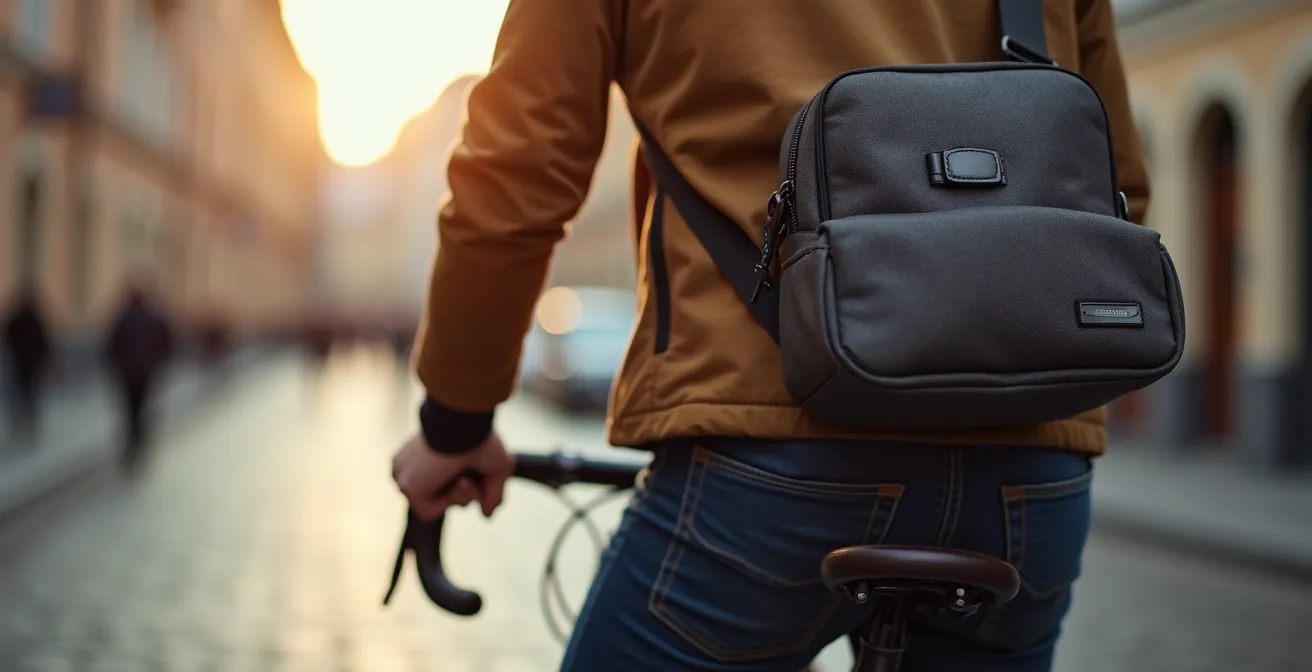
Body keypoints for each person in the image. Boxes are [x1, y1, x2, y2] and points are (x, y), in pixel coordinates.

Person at [389, 1, 1149, 670]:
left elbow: (517, 173)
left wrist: (455, 422)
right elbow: (1114, 181)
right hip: (1029, 472)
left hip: (766, 441)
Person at [104, 283, 175, 469]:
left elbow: (111, 345)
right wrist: (160, 364)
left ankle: (131, 445)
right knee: (142, 409)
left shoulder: (123, 318)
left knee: (129, 411)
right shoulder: (154, 317)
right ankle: (140, 443)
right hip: (146, 373)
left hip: (127, 373)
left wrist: (115, 366)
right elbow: (167, 343)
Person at [3, 285, 52, 440]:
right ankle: (29, 422)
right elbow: (44, 341)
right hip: (31, 362)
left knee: (20, 392)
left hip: (20, 361)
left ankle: (21, 421)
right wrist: (44, 358)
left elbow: (7, 335)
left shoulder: (16, 318)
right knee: (30, 393)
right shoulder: (35, 318)